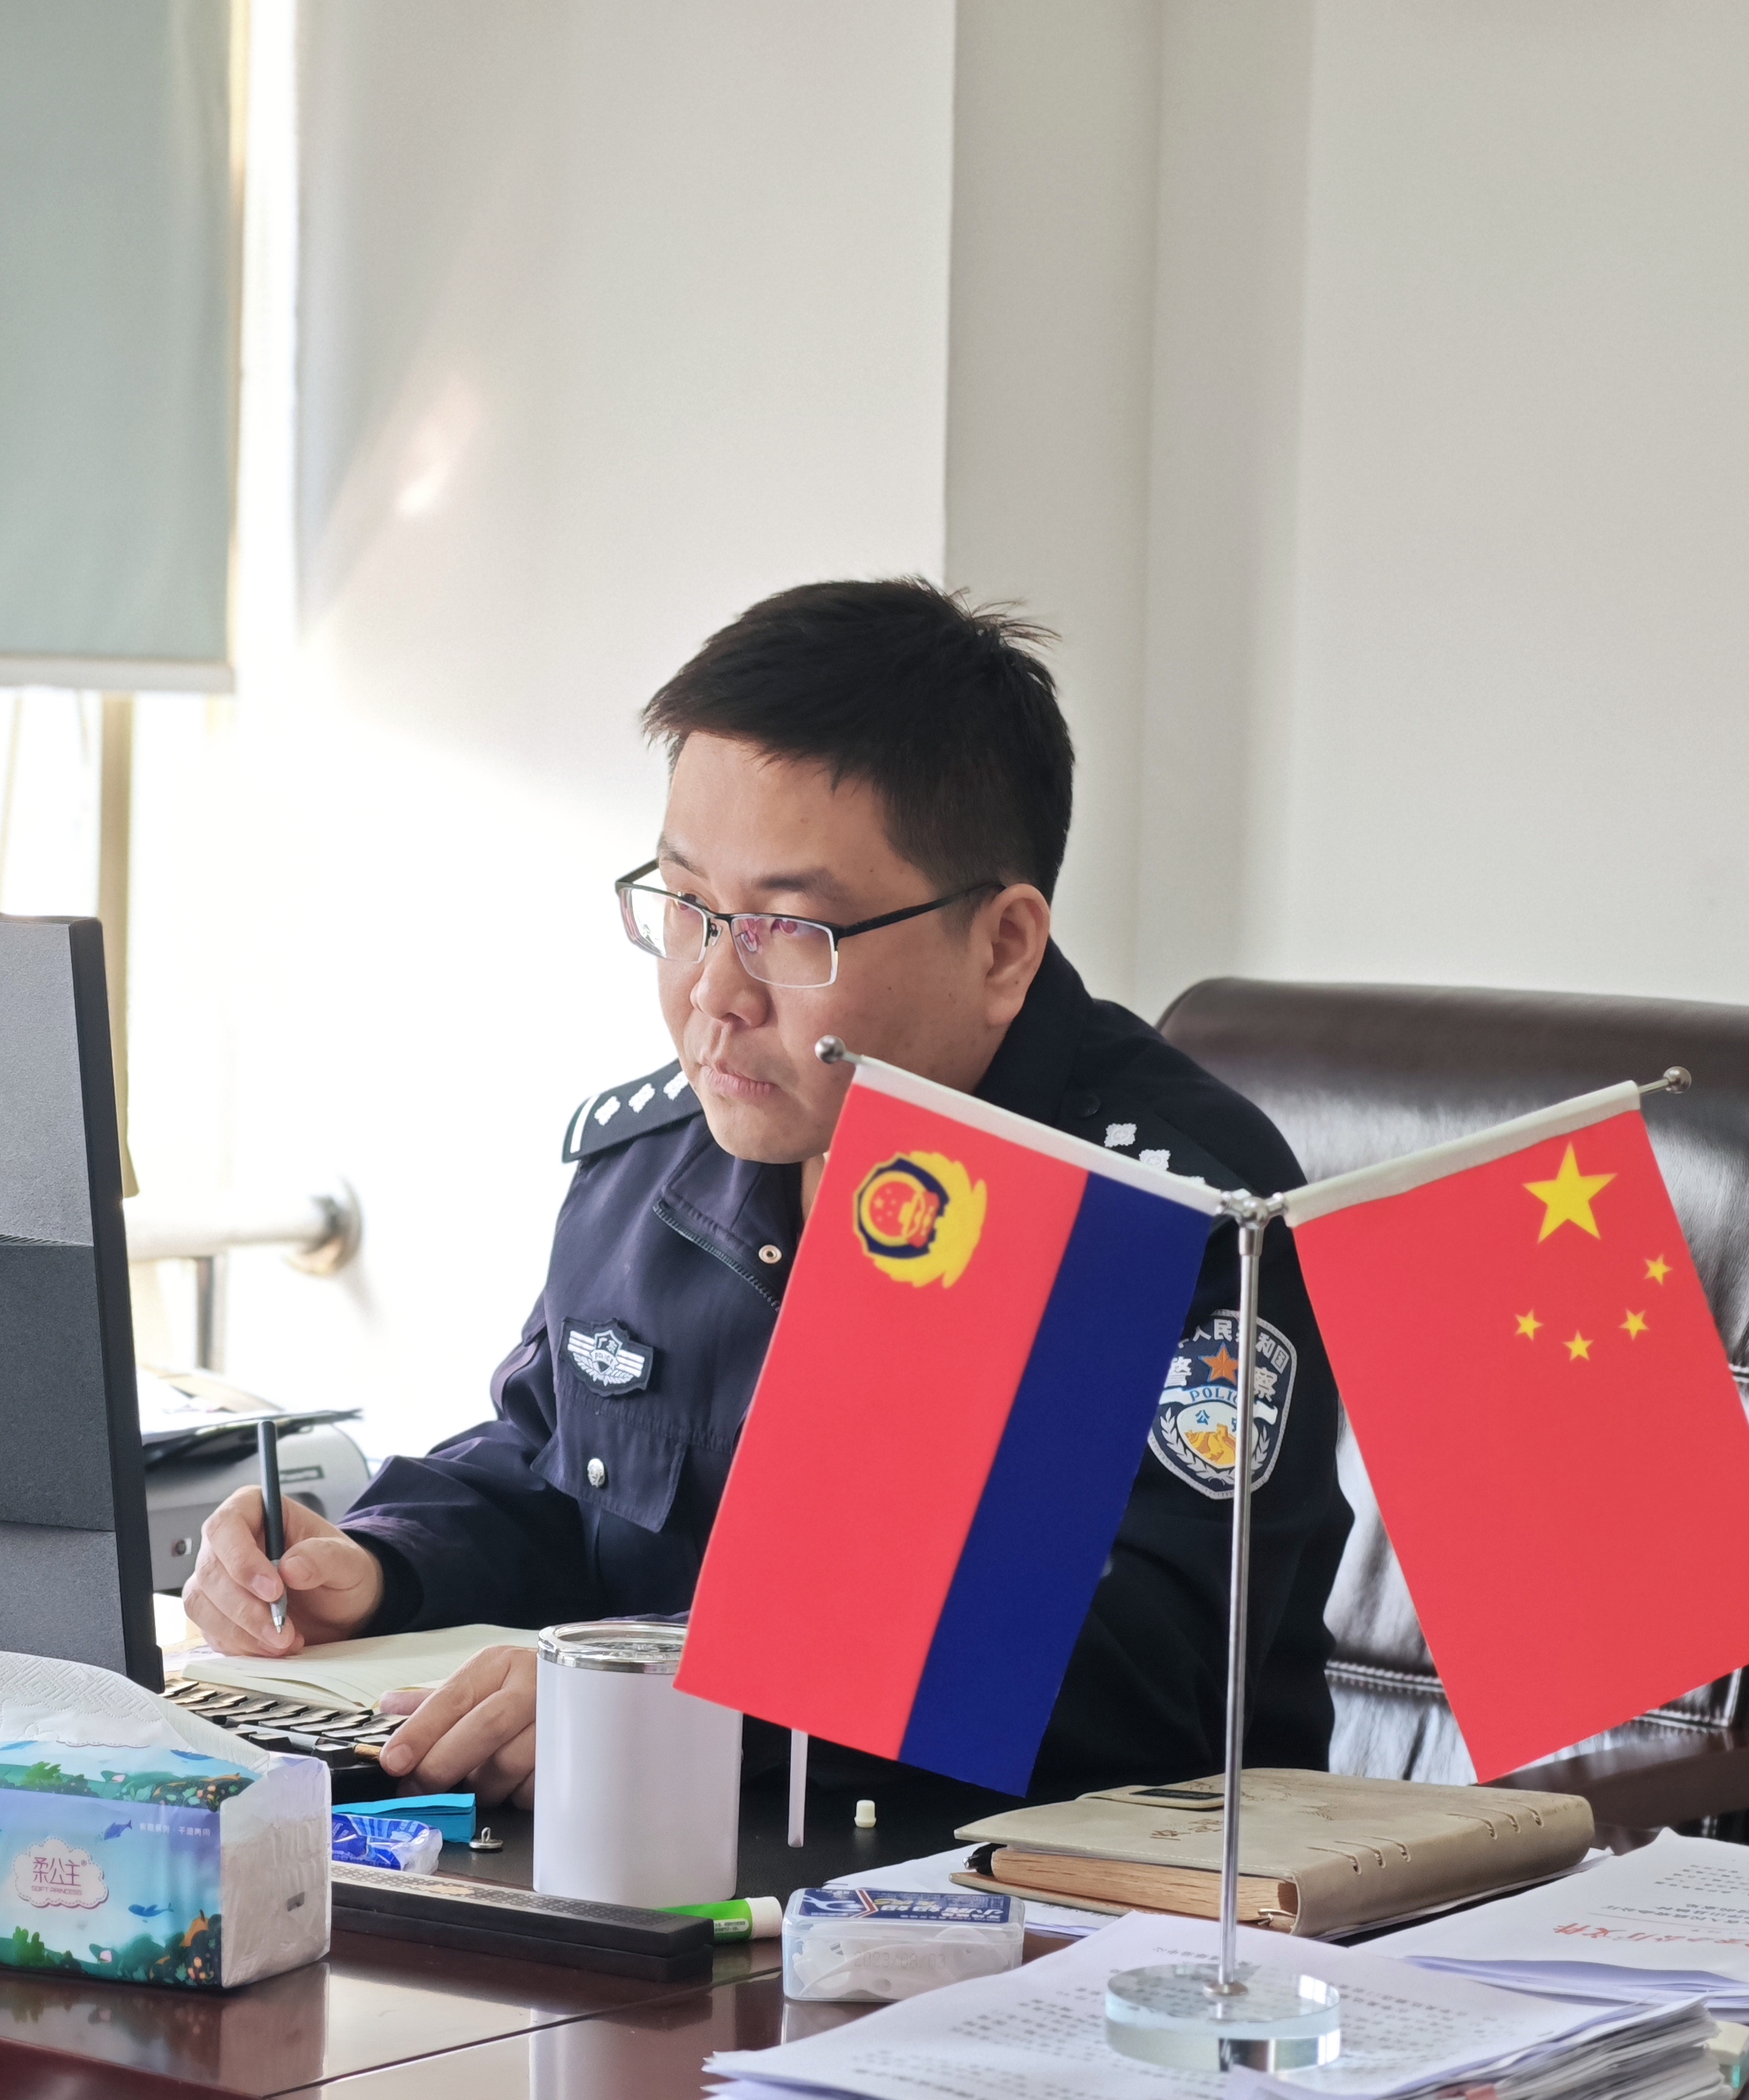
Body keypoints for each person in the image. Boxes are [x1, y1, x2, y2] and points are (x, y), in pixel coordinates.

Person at [184, 579, 1350, 1810]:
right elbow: (551, 1471)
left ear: (1003, 946)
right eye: (688, 907)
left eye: (790, 931)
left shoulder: (1167, 1213)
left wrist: (670, 1690)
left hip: (1046, 1893)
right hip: (660, 1870)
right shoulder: (657, 1161)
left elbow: (1157, 1662)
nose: (712, 993)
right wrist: (377, 1563)